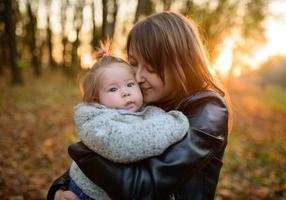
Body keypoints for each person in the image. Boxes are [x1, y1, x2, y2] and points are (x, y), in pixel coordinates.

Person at [48, 11, 230, 200]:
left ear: (180, 62)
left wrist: (85, 152)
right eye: (134, 63)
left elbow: (143, 187)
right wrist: (59, 190)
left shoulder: (208, 109)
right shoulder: (146, 98)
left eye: (151, 66)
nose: (138, 77)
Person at [67, 52, 189, 199]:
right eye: (113, 89)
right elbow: (126, 144)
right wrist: (176, 122)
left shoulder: (148, 111)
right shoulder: (96, 121)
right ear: (96, 99)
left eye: (130, 84)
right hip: (87, 195)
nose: (125, 92)